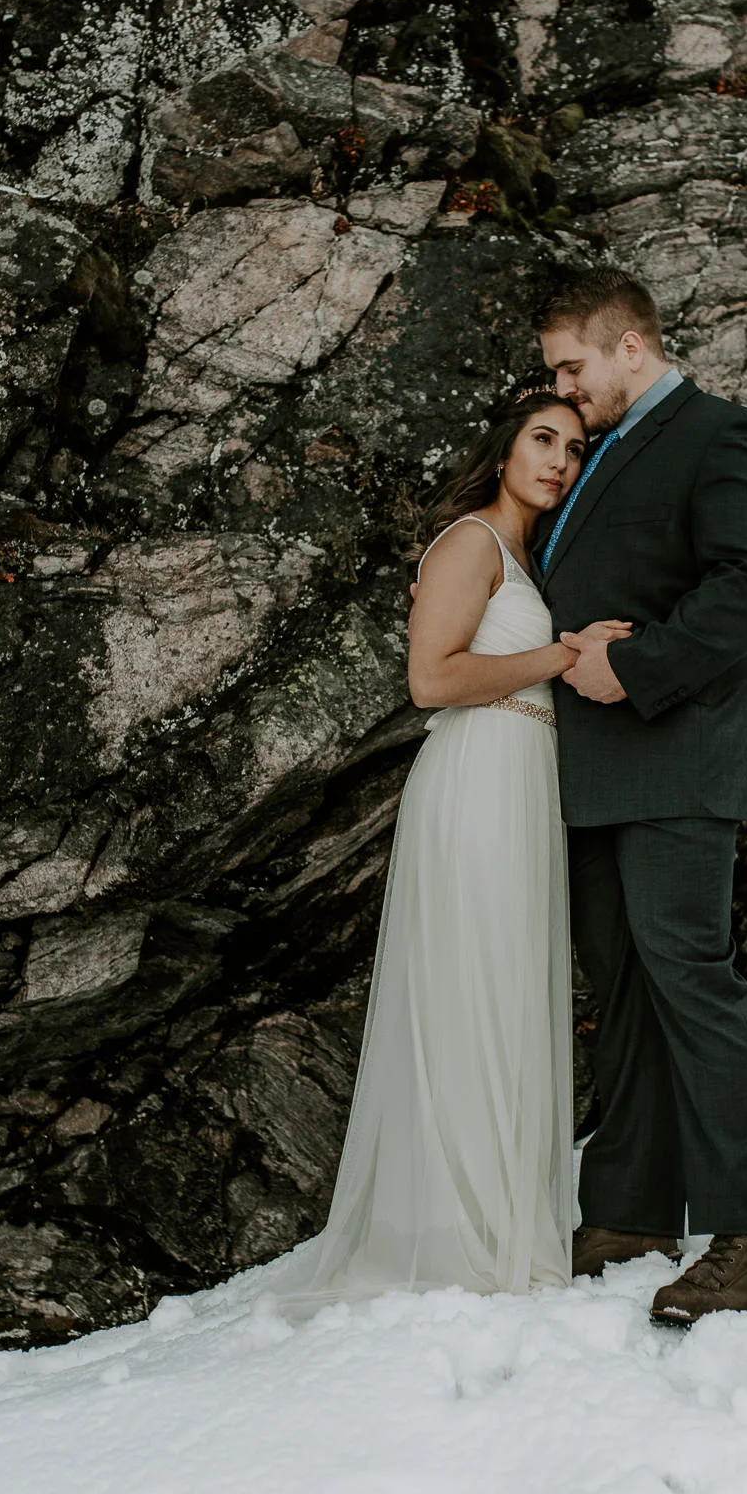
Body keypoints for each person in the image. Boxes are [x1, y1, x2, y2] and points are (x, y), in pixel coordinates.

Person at [266, 390, 628, 1313]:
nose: (559, 460)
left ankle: (498, 1220)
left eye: (574, 448)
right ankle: (455, 1232)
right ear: (504, 448)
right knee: (472, 982)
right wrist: (561, 657)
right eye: (542, 439)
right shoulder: (470, 541)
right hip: (476, 780)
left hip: (520, 782)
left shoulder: (524, 556)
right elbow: (432, 679)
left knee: (506, 984)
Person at [532, 270, 747, 1326]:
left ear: (631, 347)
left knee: (690, 977)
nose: (563, 388)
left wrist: (636, 667)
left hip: (677, 753)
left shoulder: (725, 435)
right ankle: (630, 1212)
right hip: (594, 768)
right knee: (627, 987)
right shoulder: (597, 452)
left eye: (573, 367)